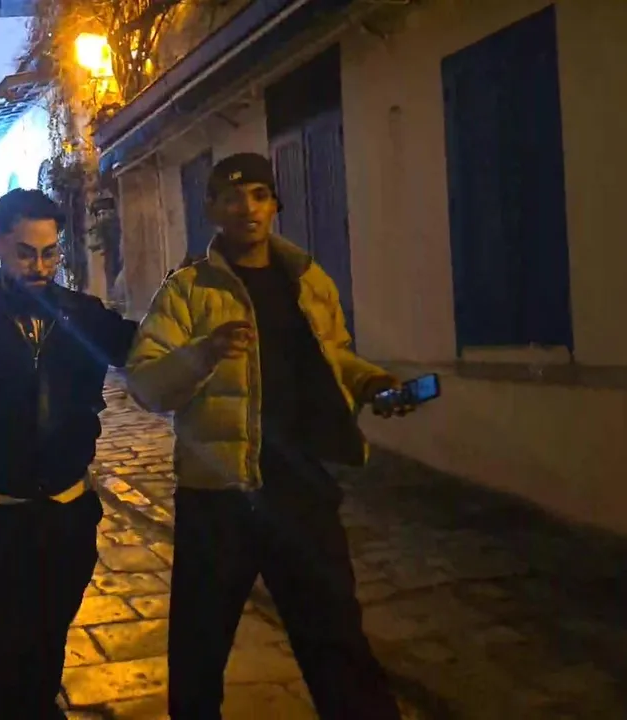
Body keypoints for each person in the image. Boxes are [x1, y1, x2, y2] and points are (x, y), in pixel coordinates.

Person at [127, 153, 413, 720]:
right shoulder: (187, 291)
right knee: (199, 650)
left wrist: (372, 382)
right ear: (212, 208)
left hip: (301, 491)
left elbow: (334, 357)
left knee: (337, 638)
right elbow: (146, 385)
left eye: (259, 195)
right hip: (219, 498)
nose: (247, 208)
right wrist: (204, 352)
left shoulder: (307, 279)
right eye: (232, 197)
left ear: (275, 203)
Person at [0, 188, 138, 720]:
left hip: (70, 507)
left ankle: (38, 706)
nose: (40, 266)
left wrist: (190, 315)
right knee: (13, 638)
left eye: (50, 253)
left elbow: (143, 347)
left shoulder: (83, 314)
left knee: (52, 630)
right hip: (0, 513)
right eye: (26, 253)